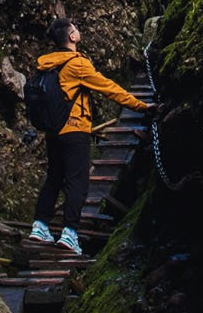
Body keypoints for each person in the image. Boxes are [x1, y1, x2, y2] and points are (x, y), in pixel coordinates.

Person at [29, 16, 153, 256]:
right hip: (74, 129)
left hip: (52, 131)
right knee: (78, 182)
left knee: (53, 179)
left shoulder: (47, 64)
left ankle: (40, 226)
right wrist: (140, 105)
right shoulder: (78, 64)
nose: (78, 31)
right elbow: (108, 88)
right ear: (72, 37)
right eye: (75, 29)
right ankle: (70, 234)